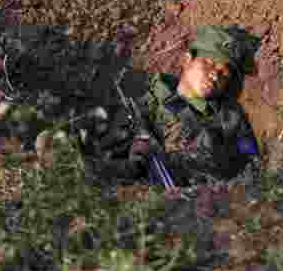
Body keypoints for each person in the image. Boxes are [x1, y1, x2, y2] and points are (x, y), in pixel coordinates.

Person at [79, 24, 263, 192]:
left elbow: (252, 167)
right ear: (187, 60)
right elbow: (106, 161)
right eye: (209, 63)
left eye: (224, 73)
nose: (215, 75)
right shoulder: (143, 103)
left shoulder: (231, 118)